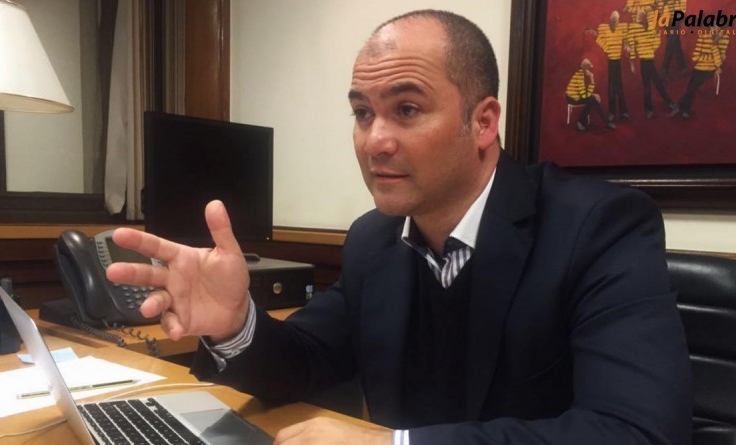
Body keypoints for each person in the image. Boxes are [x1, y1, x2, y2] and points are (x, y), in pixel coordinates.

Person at [107, 10, 692, 445]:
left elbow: (637, 432)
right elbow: (306, 362)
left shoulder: (598, 227)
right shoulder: (374, 239)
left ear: (483, 122)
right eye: (363, 113)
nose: (374, 141)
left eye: (406, 110)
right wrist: (235, 324)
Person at [628, 11, 677, 118]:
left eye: (640, 17)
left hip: (649, 59)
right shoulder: (635, 29)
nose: (639, 20)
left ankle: (655, 108)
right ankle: (658, 107)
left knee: (654, 84)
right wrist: (632, 62)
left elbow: (656, 41)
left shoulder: (650, 28)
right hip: (644, 61)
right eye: (638, 18)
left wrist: (651, 49)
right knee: (651, 85)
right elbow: (632, 46)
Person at [674, 28, 730, 119]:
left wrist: (714, 44)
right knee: (691, 87)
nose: (714, 29)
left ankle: (680, 106)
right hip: (699, 67)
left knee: (693, 87)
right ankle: (684, 109)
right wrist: (711, 58)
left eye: (717, 26)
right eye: (712, 26)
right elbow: (695, 57)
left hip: (711, 69)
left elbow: (720, 60)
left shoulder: (724, 38)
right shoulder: (703, 37)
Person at [589, 11, 631, 121]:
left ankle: (623, 112)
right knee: (612, 88)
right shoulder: (604, 29)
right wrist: (597, 36)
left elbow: (625, 40)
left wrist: (627, 46)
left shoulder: (621, 28)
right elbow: (605, 47)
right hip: (611, 62)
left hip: (618, 61)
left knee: (619, 87)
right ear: (610, 20)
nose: (615, 22)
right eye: (613, 20)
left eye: (617, 20)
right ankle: (613, 112)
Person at [565, 59, 615, 130]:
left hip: (578, 96)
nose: (591, 71)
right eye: (590, 69)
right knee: (592, 100)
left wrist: (593, 95)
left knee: (592, 100)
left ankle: (581, 121)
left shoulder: (582, 74)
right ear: (586, 69)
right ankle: (606, 122)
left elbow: (584, 93)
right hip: (572, 98)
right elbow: (584, 95)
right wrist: (592, 80)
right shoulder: (580, 76)